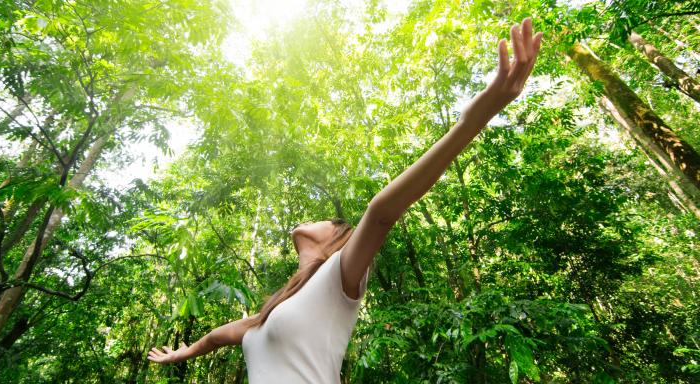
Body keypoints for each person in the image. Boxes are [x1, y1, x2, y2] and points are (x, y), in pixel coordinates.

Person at [147, 17, 543, 383]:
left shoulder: (339, 275)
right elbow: (217, 337)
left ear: (335, 238)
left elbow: (381, 213)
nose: (312, 219)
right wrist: (181, 354)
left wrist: (471, 120)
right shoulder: (269, 314)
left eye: (325, 219)